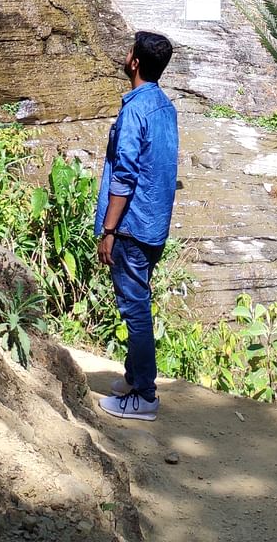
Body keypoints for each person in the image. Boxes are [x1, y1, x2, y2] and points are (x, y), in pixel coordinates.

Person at [95, 29, 179, 421]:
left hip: (130, 227)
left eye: (129, 50)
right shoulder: (165, 107)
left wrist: (109, 230)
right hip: (154, 224)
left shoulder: (135, 110)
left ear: (135, 62)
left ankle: (144, 395)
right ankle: (134, 377)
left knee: (135, 309)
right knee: (139, 302)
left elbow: (125, 176)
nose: (126, 54)